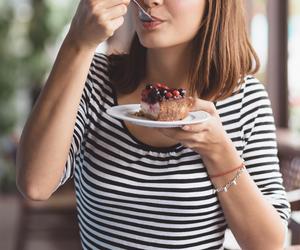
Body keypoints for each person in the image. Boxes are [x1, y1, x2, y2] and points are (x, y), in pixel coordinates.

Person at [16, 0, 290, 249]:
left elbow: (268, 245)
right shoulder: (93, 80)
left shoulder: (244, 99)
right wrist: (78, 41)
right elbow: (35, 185)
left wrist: (219, 152)